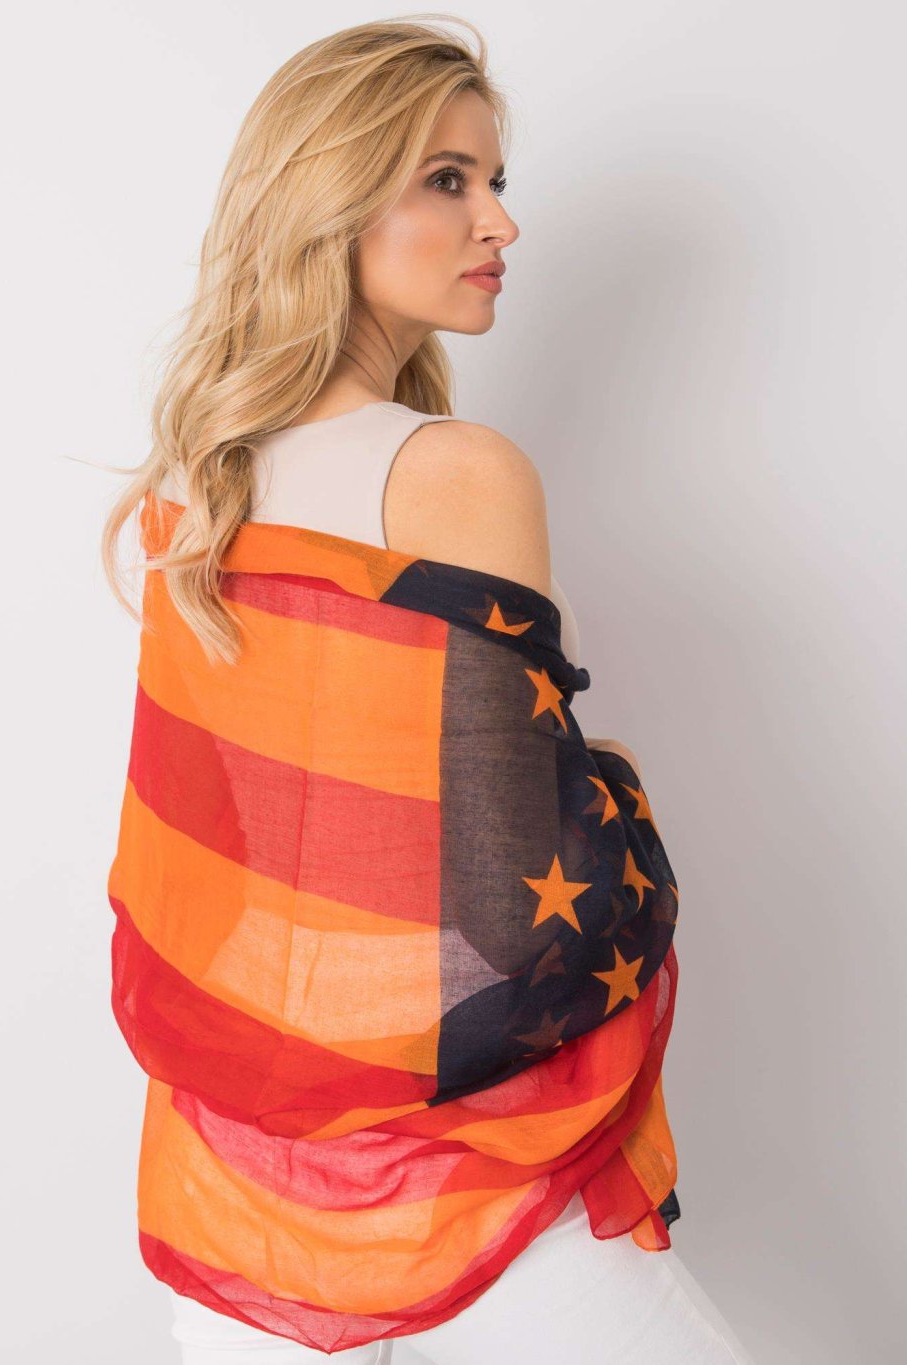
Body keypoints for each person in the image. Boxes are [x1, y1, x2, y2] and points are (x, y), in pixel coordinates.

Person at [102, 16, 755, 1364]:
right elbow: (514, 913)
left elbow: (226, 877)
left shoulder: (198, 480)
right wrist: (621, 787)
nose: (499, 221)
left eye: (495, 180)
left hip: (245, 1188)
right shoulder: (452, 474)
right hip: (470, 1187)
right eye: (446, 180)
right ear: (329, 198)